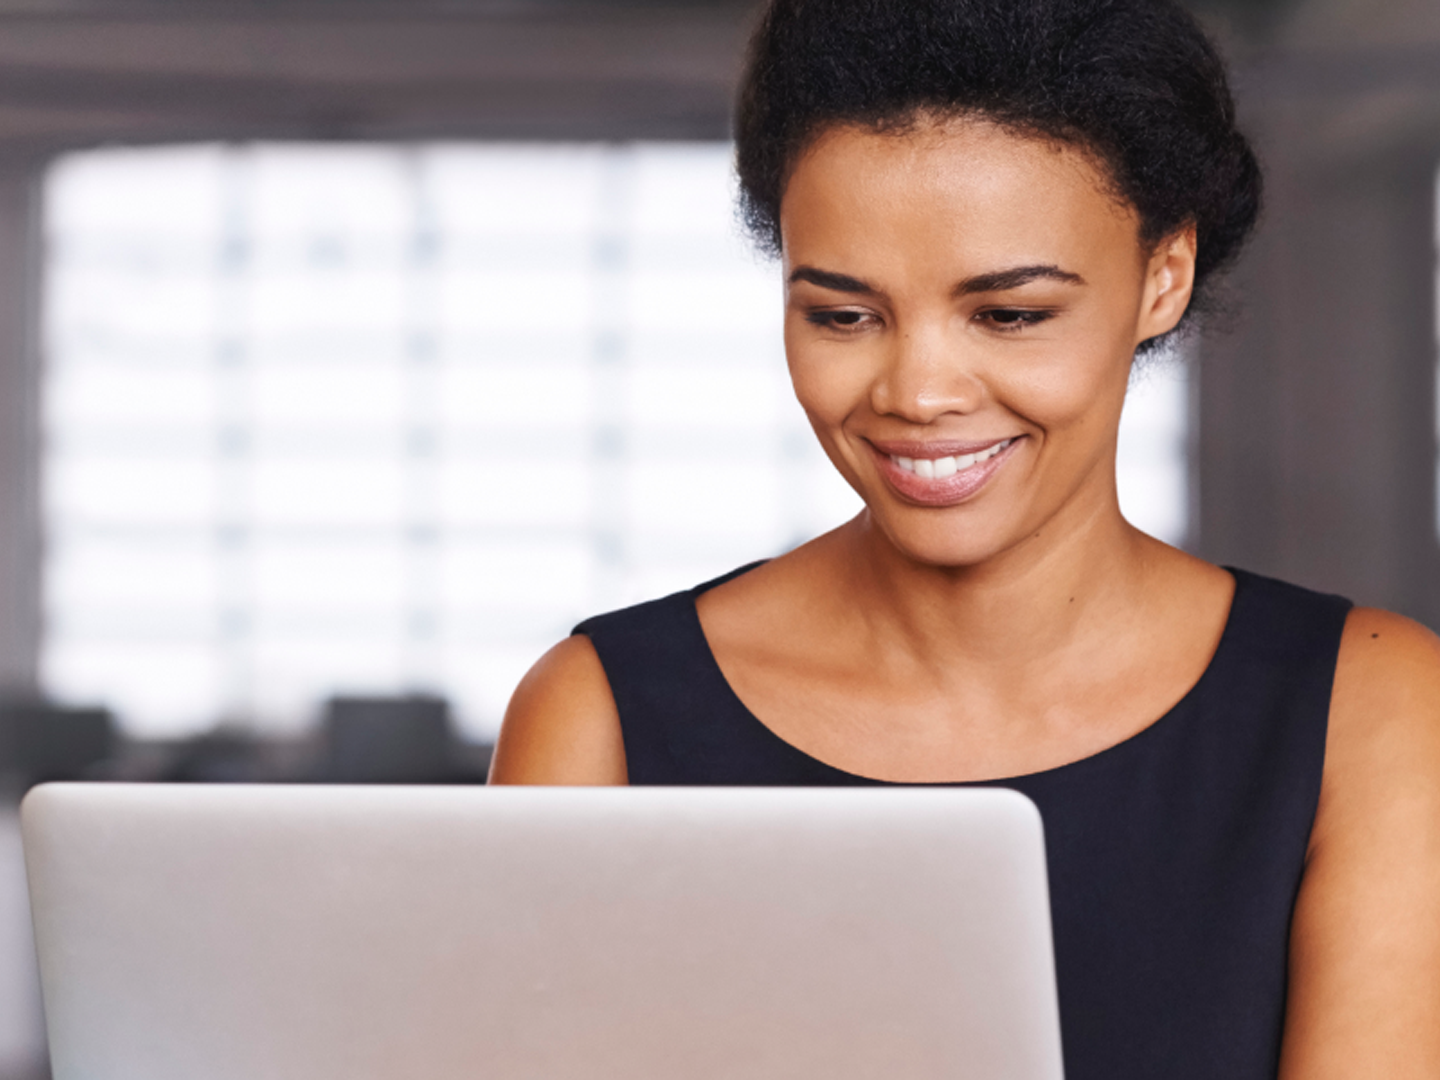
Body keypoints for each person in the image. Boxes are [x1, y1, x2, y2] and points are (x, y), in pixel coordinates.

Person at [489, 0, 1440, 1076]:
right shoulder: (602, 717)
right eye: (844, 316)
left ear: (1161, 279)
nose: (919, 393)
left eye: (1011, 314)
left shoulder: (1367, 710)